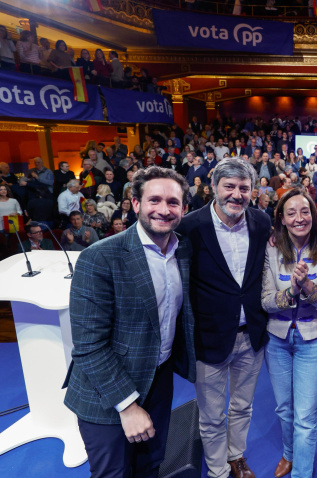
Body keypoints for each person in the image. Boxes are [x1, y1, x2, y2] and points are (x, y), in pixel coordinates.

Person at [63, 166, 196, 478]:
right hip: (106, 393)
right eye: (154, 200)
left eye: (173, 203)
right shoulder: (100, 257)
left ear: (184, 209)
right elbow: (88, 347)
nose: (164, 210)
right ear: (135, 204)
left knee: (150, 466)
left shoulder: (184, 249)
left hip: (160, 380)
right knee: (115, 473)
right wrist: (127, 406)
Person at [176, 157, 271, 478]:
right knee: (212, 414)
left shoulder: (261, 222)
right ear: (214, 187)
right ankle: (218, 470)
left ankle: (236, 455)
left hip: (252, 334)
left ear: (253, 191)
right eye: (229, 186)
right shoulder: (189, 226)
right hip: (209, 337)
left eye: (244, 188)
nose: (237, 194)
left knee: (243, 406)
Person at [262, 188, 317, 478]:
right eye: (291, 212)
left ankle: (302, 473)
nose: (299, 218)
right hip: (278, 339)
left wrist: (307, 286)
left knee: (306, 417)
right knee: (284, 409)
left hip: (314, 339)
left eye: (305, 211)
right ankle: (289, 452)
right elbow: (266, 302)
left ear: (314, 214)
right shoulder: (270, 248)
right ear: (281, 219)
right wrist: (291, 290)